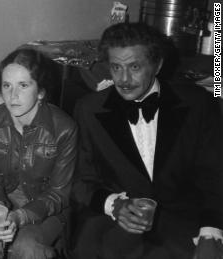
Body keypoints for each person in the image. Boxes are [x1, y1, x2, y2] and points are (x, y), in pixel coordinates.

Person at [72, 22, 223, 259]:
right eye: (116, 67)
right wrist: (114, 205)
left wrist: (211, 232)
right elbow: (80, 181)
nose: (123, 79)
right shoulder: (88, 109)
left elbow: (215, 177)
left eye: (134, 67)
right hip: (115, 224)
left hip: (182, 225)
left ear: (157, 64)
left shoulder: (198, 103)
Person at [0, 48, 78, 259]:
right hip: (3, 198)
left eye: (23, 85)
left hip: (46, 207)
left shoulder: (64, 128)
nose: (12, 95)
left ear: (41, 91)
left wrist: (19, 217)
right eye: (7, 86)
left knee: (27, 247)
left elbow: (59, 194)